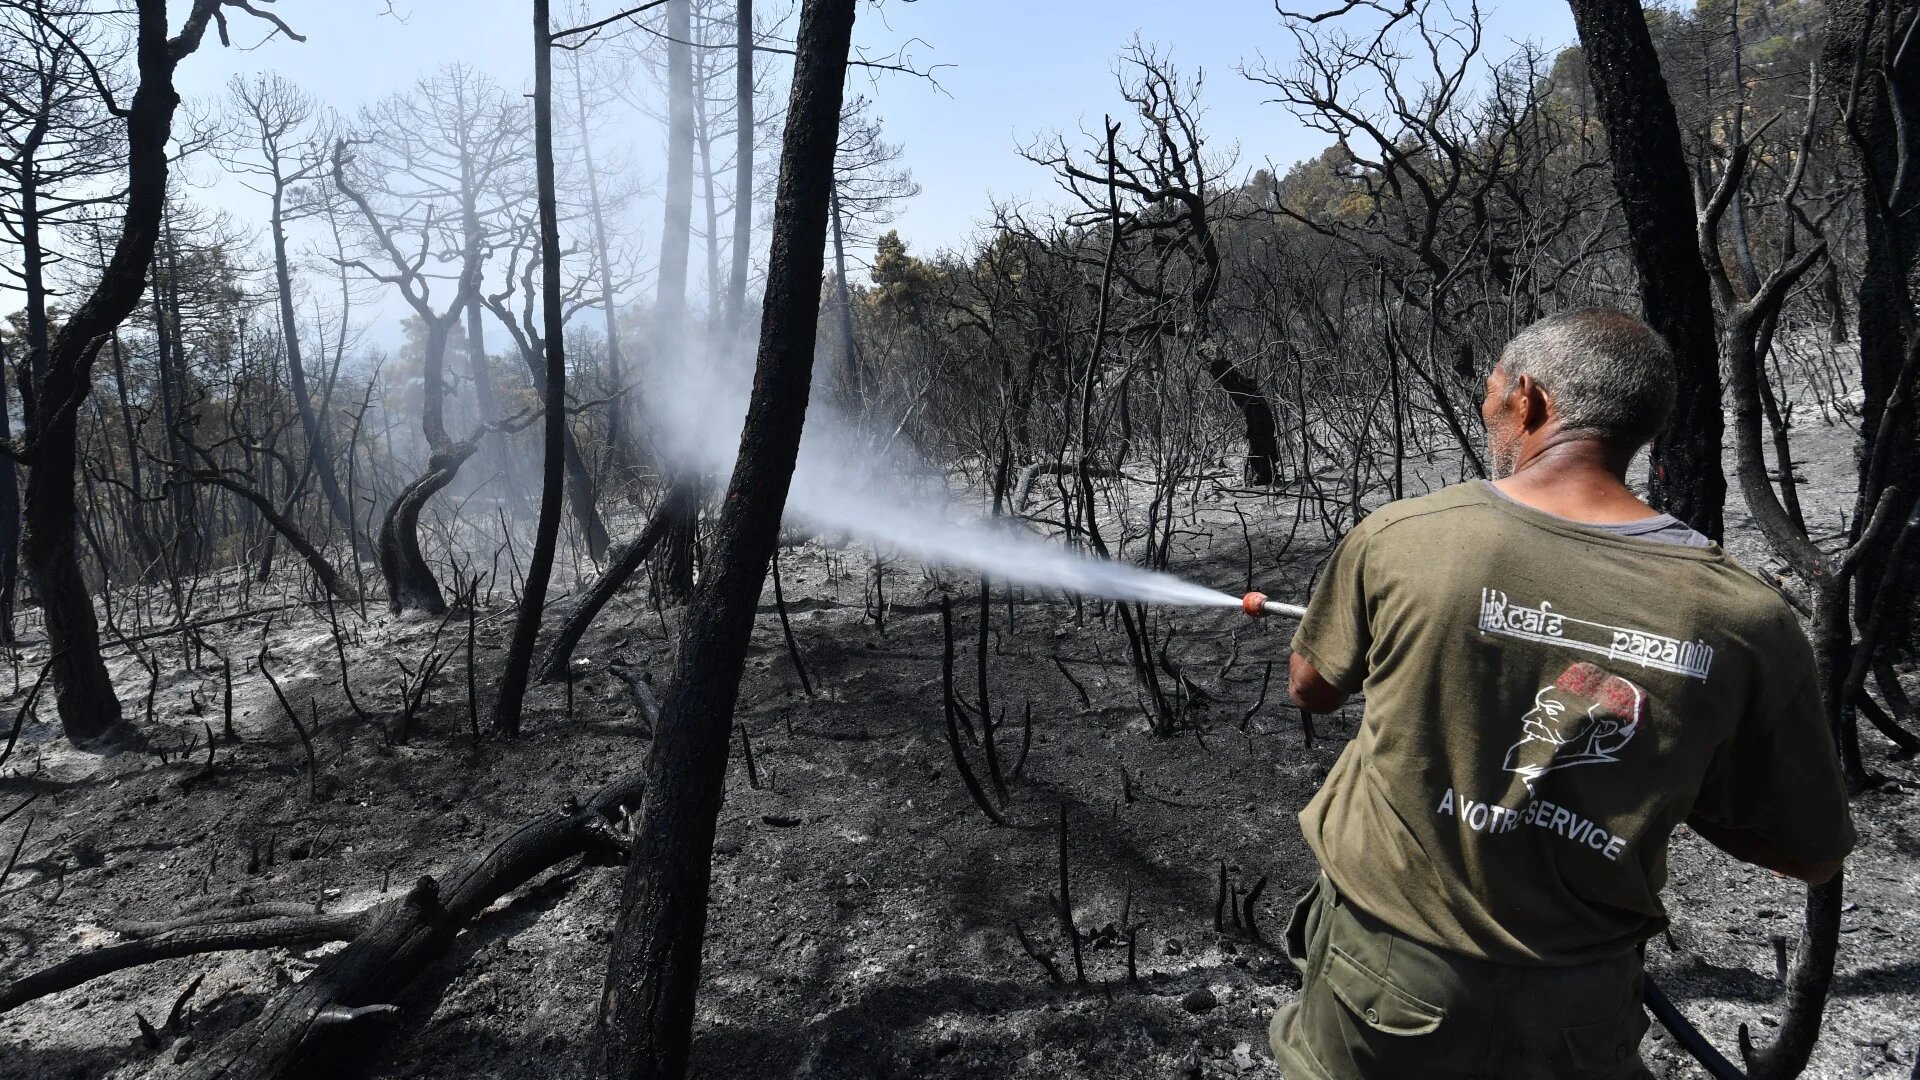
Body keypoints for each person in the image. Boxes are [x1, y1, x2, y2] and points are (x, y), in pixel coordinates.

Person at [1269, 309, 1855, 1080]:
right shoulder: (1746, 618)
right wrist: (1664, 782)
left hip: (1385, 977)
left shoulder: (1406, 537)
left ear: (1529, 400)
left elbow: (1311, 689)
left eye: (1491, 396)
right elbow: (1809, 852)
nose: (1488, 417)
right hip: (1581, 1005)